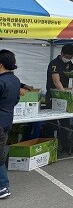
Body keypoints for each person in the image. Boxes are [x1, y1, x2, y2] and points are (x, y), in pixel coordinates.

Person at [46, 44, 73, 153]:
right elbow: (56, 81)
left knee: (65, 123)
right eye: (67, 56)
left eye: (71, 57)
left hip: (64, 97)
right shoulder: (54, 64)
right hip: (53, 96)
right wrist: (65, 94)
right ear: (62, 53)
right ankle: (49, 146)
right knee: (52, 123)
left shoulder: (69, 63)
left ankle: (66, 145)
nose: (68, 59)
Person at [0, 50, 21, 199]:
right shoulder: (15, 80)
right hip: (7, 119)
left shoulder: (1, 81)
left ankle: (3, 186)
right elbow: (15, 101)